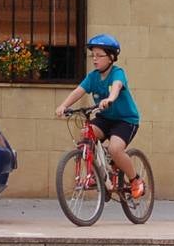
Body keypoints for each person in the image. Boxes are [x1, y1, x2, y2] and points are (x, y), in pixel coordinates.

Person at [55, 34, 146, 200]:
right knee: (86, 134)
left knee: (115, 149)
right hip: (105, 118)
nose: (95, 59)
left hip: (125, 119)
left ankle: (135, 180)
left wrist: (110, 99)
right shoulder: (93, 77)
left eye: (99, 55)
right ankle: (98, 176)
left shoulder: (118, 73)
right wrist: (64, 106)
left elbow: (116, 87)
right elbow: (78, 91)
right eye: (93, 55)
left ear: (111, 57)